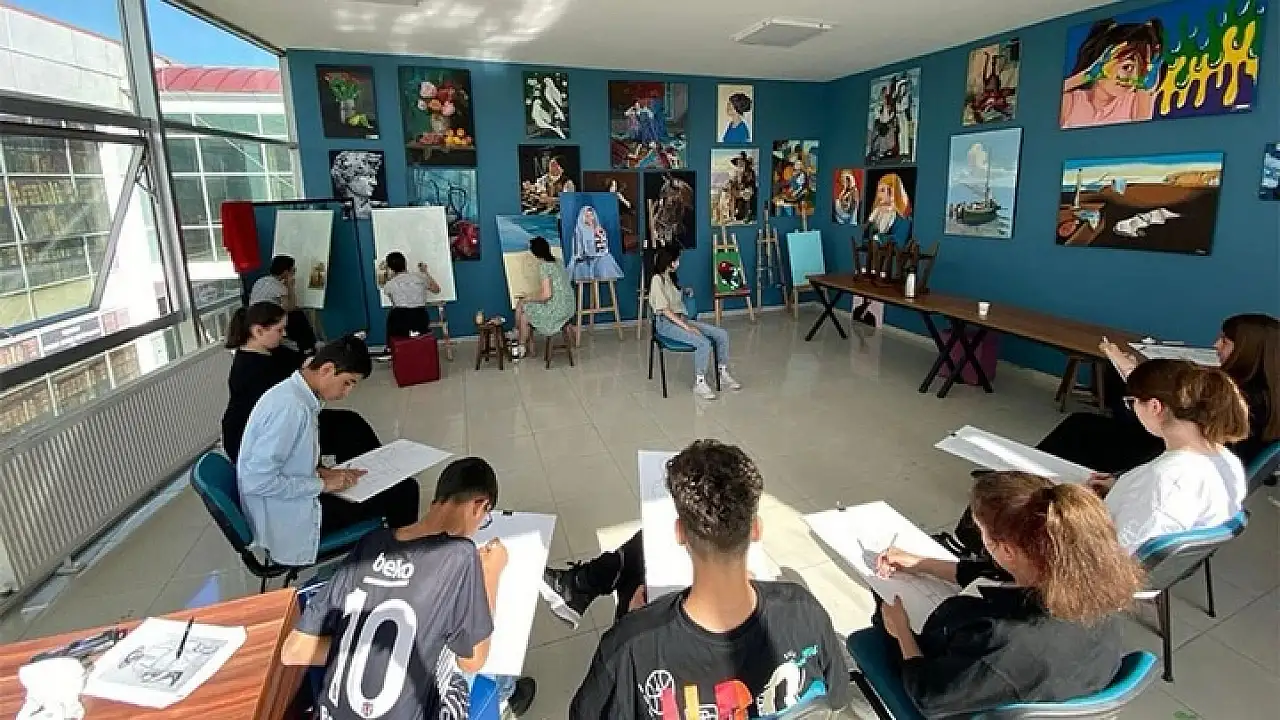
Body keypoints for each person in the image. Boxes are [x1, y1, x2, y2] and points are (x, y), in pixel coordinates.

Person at [568, 440, 851, 718]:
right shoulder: (804, 610)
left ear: (680, 533)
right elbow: (835, 701)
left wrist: (634, 625)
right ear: (756, 529)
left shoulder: (628, 649)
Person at [867, 472, 1144, 716]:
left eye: (983, 533)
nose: (982, 542)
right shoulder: (1094, 588)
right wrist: (921, 563)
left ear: (1008, 551)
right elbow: (990, 574)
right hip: (1058, 686)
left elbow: (929, 697)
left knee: (882, 622)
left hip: (955, 697)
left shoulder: (998, 638)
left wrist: (900, 631)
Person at [281, 457, 537, 718]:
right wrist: (491, 573)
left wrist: (369, 649)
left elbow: (294, 650)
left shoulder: (371, 544)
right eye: (484, 519)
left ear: (435, 502)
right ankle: (504, 700)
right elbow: (473, 660)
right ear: (480, 506)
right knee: (474, 664)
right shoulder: (460, 555)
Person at [946, 359, 1250, 559]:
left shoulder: (1164, 480)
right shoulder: (1225, 460)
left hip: (1095, 564)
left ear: (1155, 407)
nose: (1133, 409)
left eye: (1133, 403)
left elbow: (1114, 554)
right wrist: (1116, 489)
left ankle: (969, 554)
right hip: (1140, 549)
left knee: (1000, 494)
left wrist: (1075, 504)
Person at [236, 335, 420, 567]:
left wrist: (325, 473)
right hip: (290, 520)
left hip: (288, 503)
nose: (347, 392)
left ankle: (396, 555)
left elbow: (288, 462)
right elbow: (256, 481)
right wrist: (322, 484)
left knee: (380, 482)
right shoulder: (291, 409)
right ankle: (401, 566)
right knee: (404, 492)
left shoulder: (294, 395)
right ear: (327, 369)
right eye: (347, 383)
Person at [1036, 314, 1279, 474]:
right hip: (1201, 461)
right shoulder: (1266, 393)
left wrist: (1132, 379)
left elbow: (1166, 424)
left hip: (1167, 457)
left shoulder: (1236, 397)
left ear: (1248, 350)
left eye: (1225, 341)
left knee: (1079, 427)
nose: (1216, 345)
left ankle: (1034, 479)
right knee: (1083, 424)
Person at [220, 302, 381, 466]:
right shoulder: (248, 370)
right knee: (346, 430)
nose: (284, 334)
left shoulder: (272, 350)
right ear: (258, 331)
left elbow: (305, 362)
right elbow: (279, 413)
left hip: (281, 423)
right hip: (252, 437)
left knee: (351, 422)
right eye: (279, 330)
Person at [648, 246, 740, 400]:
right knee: (703, 342)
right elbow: (665, 310)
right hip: (666, 324)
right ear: (669, 261)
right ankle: (700, 382)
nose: (678, 263)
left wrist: (684, 291)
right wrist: (687, 327)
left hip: (681, 319)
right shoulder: (657, 280)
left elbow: (673, 297)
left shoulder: (670, 277)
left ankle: (722, 372)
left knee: (721, 334)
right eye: (676, 260)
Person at [1060, 18, 1164, 128]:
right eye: (1127, 67)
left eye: (1141, 71)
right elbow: (1051, 96)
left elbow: (1142, 126)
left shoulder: (1133, 103)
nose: (1134, 78)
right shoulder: (1072, 102)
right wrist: (1088, 75)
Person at [514, 235, 574, 357]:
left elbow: (547, 295)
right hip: (569, 306)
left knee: (523, 312)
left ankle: (520, 343)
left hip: (557, 309)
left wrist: (528, 298)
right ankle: (520, 339)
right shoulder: (558, 262)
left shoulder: (544, 266)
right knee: (523, 306)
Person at [248, 254, 318, 354]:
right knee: (297, 315)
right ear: (286, 272)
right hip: (266, 319)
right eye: (293, 270)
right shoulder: (278, 286)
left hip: (254, 317)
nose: (294, 273)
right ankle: (307, 348)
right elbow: (290, 308)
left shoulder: (261, 281)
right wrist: (290, 286)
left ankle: (308, 346)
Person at [381, 251, 442, 341]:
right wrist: (425, 272)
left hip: (400, 318)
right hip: (420, 316)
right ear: (405, 263)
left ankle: (391, 347)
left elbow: (394, 304)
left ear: (390, 268)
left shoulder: (389, 284)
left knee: (393, 317)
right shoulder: (420, 278)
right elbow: (437, 290)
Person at [566, 204, 623, 282]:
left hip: (598, 257)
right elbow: (577, 246)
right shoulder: (578, 230)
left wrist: (600, 250)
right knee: (582, 268)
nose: (590, 218)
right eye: (587, 216)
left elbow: (604, 246)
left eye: (591, 215)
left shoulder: (598, 229)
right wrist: (580, 255)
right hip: (584, 259)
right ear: (583, 217)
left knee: (604, 264)